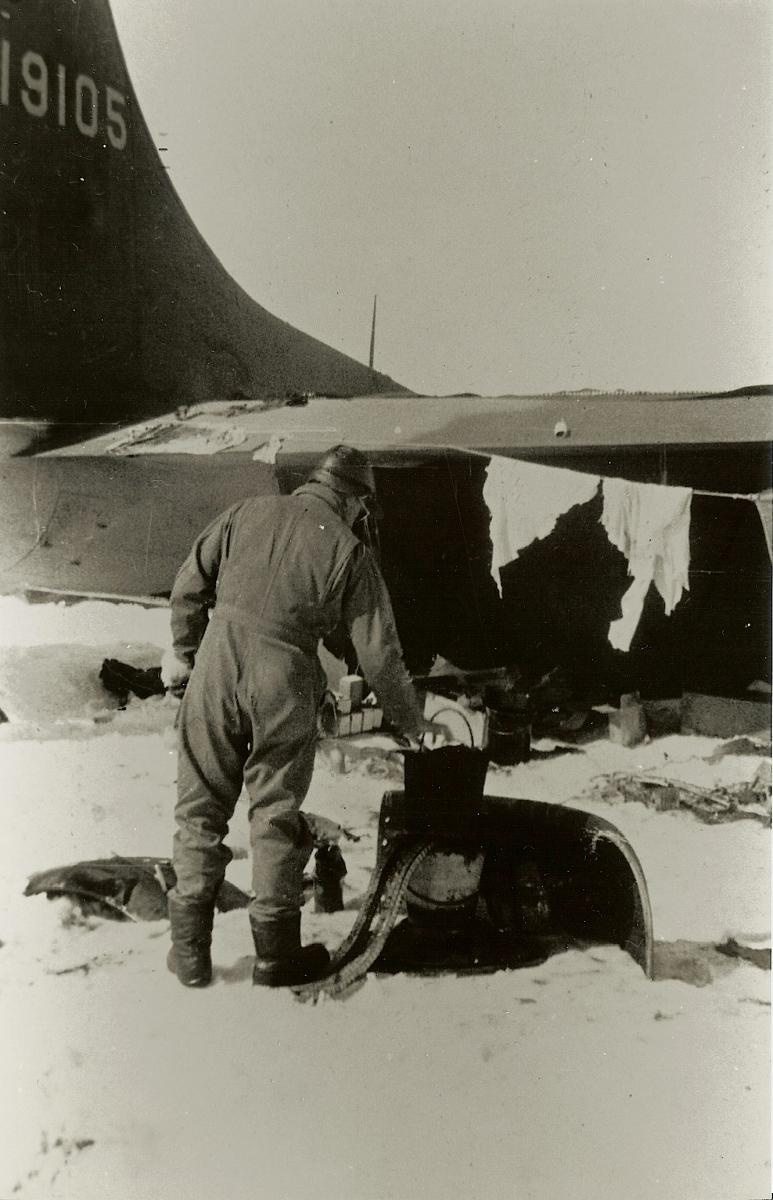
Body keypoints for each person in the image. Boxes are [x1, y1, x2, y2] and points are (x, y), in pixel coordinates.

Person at [161, 445, 449, 989]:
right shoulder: (348, 549)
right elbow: (380, 656)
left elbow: (188, 587)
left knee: (199, 807)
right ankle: (274, 958)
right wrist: (412, 722)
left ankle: (191, 955)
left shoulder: (246, 512)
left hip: (216, 666)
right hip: (285, 680)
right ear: (349, 497)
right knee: (274, 811)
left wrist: (190, 652)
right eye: (360, 506)